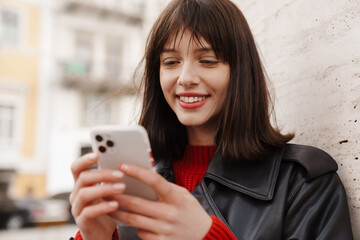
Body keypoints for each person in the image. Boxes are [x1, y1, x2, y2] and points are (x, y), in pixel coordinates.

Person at [69, 0, 354, 239]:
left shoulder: (304, 184)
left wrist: (207, 235)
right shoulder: (133, 187)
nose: (186, 78)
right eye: (170, 62)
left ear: (240, 72)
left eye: (208, 61)